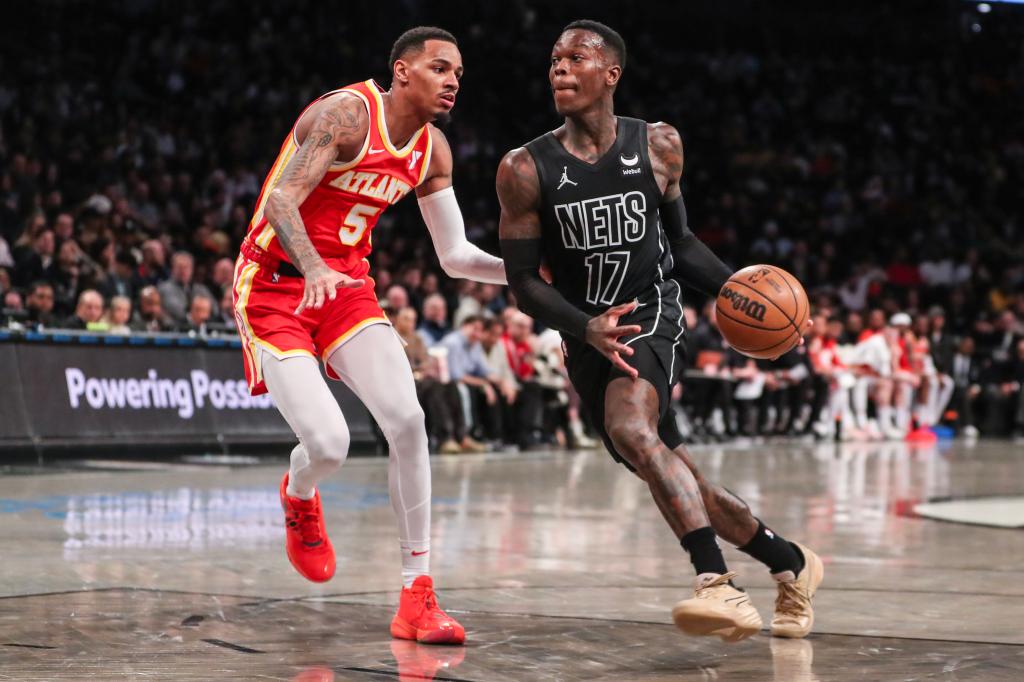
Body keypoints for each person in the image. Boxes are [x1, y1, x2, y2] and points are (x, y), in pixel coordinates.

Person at [496, 20, 820, 643]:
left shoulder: (658, 145)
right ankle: (793, 564)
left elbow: (682, 244)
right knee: (677, 475)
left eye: (574, 59)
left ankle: (717, 585)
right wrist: (584, 327)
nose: (558, 69)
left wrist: (741, 299)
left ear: (610, 74)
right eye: (553, 60)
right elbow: (524, 283)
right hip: (587, 332)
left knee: (630, 427)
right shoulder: (524, 168)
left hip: (652, 311)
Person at [232, 26, 505, 645]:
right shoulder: (347, 115)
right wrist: (315, 266)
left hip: (346, 289)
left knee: (408, 420)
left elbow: (456, 255)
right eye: (440, 67)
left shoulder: (433, 150)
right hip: (276, 282)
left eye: (458, 72)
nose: (453, 80)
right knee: (328, 445)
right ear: (402, 72)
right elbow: (281, 201)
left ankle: (417, 595)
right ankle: (299, 493)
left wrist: (528, 274)